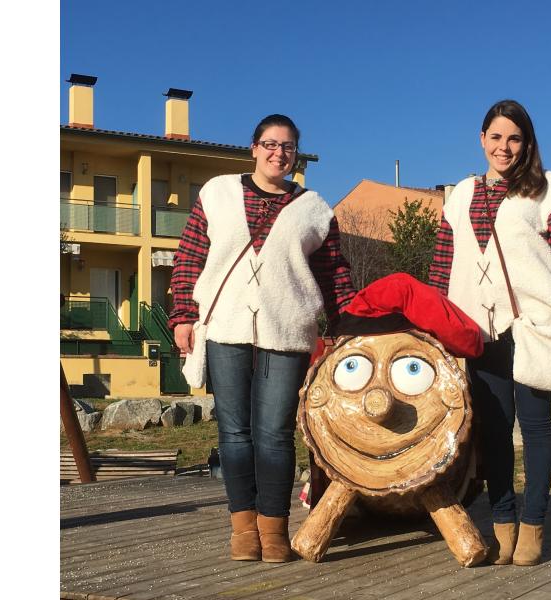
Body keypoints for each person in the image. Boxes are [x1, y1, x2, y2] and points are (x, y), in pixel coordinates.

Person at [168, 114, 356, 563]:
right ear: (253, 148)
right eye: (270, 144)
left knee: (273, 434)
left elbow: (334, 275)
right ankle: (242, 529)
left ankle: (273, 529)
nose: (279, 153)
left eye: (288, 147)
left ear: (296, 154)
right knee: (234, 433)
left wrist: (350, 323)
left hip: (286, 329)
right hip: (227, 326)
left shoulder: (313, 208)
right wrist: (183, 316)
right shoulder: (217, 193)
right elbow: (189, 256)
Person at [428, 99, 551, 566]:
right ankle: (502, 522)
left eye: (515, 138)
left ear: (527, 143)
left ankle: (534, 526)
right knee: (494, 431)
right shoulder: (459, 195)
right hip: (479, 331)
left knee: (537, 428)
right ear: (482, 140)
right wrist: (432, 321)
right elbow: (442, 266)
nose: (504, 147)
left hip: (534, 325)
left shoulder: (549, 190)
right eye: (497, 137)